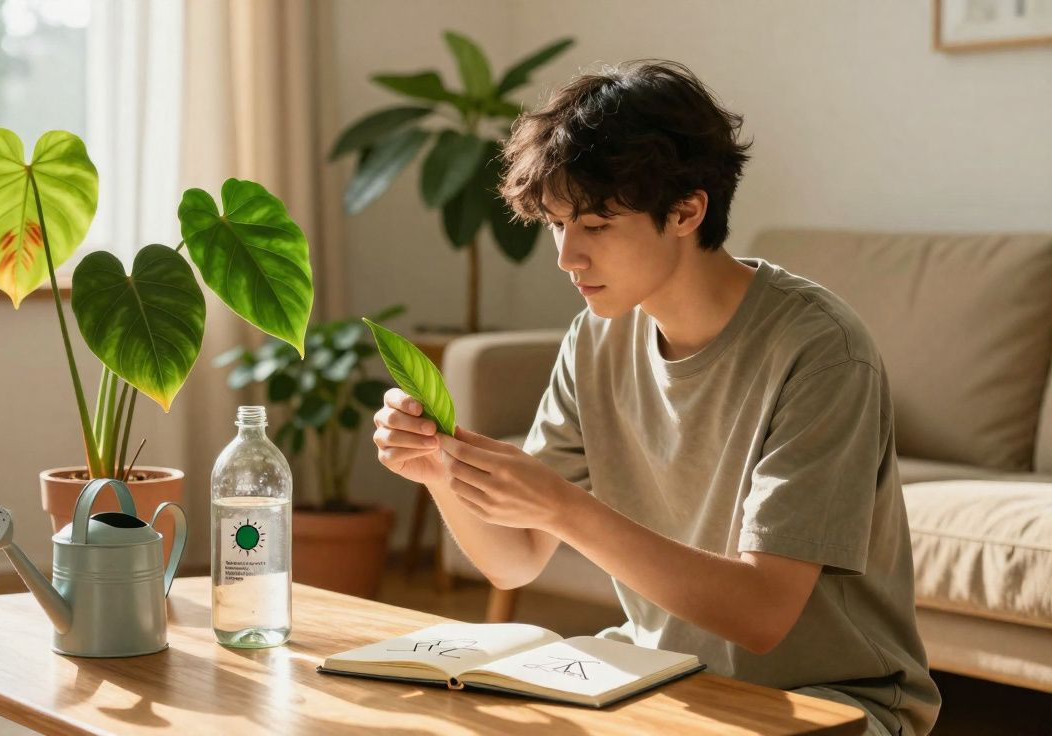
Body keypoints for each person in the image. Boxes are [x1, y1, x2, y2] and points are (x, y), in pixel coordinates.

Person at [372, 60, 940, 735]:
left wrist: (564, 507)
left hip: (829, 706)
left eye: (596, 226)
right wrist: (439, 470)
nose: (566, 257)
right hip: (657, 678)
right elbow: (512, 558)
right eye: (557, 225)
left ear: (686, 211)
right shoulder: (595, 341)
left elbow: (762, 616)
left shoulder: (819, 350)